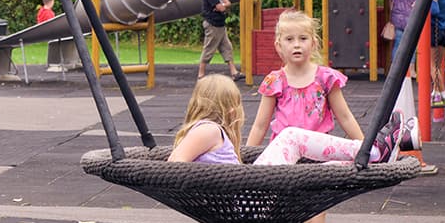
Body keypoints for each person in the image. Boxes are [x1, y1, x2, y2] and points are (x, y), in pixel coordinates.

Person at [246, 10, 365, 223]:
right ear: (278, 46)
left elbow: (344, 116)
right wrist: (245, 161)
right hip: (283, 162)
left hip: (316, 162)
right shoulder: (276, 81)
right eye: (289, 39)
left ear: (313, 43)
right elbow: (260, 125)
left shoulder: (326, 79)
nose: (296, 44)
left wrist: (363, 147)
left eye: (302, 38)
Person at [168, 74, 405, 168]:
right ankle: (371, 149)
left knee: (314, 172)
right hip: (246, 199)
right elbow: (174, 165)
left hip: (244, 197)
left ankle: (370, 158)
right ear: (228, 107)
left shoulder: (211, 134)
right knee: (291, 136)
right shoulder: (209, 130)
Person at [198, 0, 240, 80]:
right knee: (209, 48)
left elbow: (227, 3)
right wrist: (222, 6)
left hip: (220, 24)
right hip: (213, 24)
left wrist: (223, 5)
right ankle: (201, 74)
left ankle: (234, 72)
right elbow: (221, 7)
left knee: (227, 47)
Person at [387, 0, 417, 75]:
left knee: (397, 45)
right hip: (410, 22)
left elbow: (390, 6)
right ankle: (411, 69)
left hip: (397, 21)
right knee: (411, 46)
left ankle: (394, 68)